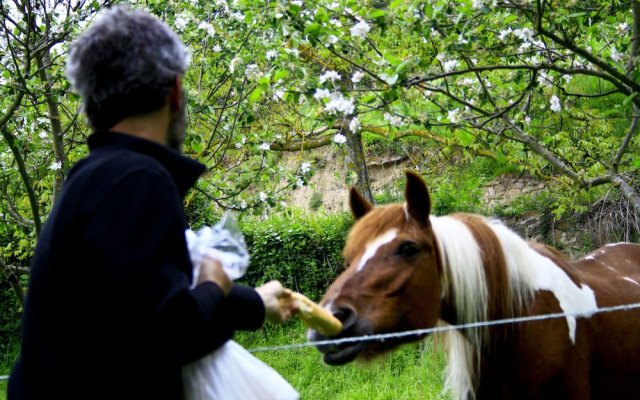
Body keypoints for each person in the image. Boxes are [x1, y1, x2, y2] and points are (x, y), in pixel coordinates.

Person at [8, 6, 295, 399]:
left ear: (91, 103)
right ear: (174, 90)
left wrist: (254, 303)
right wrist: (214, 282)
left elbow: (132, 313)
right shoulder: (138, 180)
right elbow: (168, 333)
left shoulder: (94, 178)